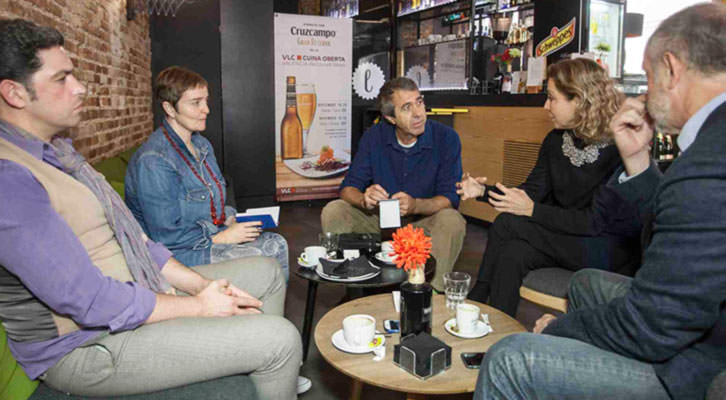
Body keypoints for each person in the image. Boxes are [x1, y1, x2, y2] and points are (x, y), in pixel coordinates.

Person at [0, 19, 307, 398]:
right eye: (62, 79)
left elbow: (140, 243)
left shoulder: (60, 155)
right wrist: (198, 305)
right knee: (280, 339)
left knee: (267, 272)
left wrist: (201, 284)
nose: (80, 88)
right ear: (15, 93)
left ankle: (256, 368)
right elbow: (90, 301)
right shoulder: (10, 178)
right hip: (85, 348)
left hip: (134, 291)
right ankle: (265, 354)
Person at [474, 3, 726, 399]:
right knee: (545, 261)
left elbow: (656, 321)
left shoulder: (707, 164)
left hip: (697, 367)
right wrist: (639, 160)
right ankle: (486, 318)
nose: (641, 91)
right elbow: (660, 229)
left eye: (646, 76)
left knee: (511, 357)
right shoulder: (700, 147)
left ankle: (499, 332)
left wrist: (557, 331)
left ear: (672, 69)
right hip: (663, 305)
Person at [458, 58, 641, 316]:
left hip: (605, 250)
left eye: (552, 98)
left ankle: (478, 297)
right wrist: (482, 192)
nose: (546, 106)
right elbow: (529, 192)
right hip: (563, 239)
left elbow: (594, 222)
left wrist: (532, 211)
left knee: (509, 224)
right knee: (513, 253)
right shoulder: (556, 141)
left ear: (579, 100)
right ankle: (497, 332)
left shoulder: (620, 148)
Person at [125, 66, 290, 282]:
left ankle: (262, 313)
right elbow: (166, 237)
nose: (206, 110)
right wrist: (221, 237)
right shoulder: (154, 161)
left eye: (206, 100)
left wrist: (230, 218)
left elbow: (218, 199)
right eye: (196, 103)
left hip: (209, 237)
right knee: (268, 254)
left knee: (277, 243)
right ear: (170, 108)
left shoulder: (201, 144)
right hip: (179, 255)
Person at [321, 77, 466, 291]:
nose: (418, 113)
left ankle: (429, 295)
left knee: (452, 221)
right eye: (407, 108)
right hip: (379, 221)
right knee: (334, 211)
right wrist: (364, 199)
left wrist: (416, 205)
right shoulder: (373, 137)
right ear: (390, 118)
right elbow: (348, 188)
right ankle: (356, 286)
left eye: (419, 102)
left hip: (423, 223)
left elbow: (449, 198)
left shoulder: (447, 138)